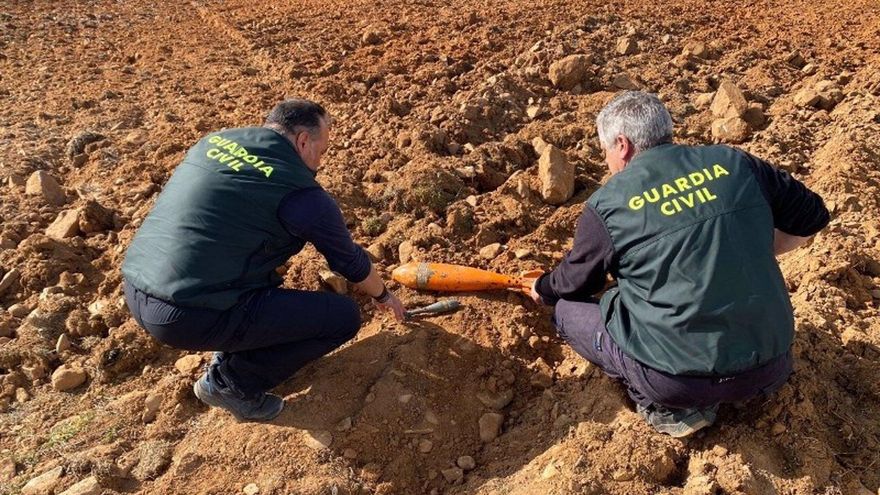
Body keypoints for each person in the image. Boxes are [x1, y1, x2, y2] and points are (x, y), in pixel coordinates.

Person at [530, 91, 829, 437]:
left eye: (605, 151)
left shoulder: (610, 203)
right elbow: (812, 217)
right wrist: (749, 248)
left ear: (622, 145)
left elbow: (576, 284)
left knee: (567, 310)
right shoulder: (735, 163)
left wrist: (542, 287)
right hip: (772, 366)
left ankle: (664, 408)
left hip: (678, 384)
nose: (608, 162)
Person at [122, 99, 405, 422]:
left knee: (262, 278)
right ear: (302, 141)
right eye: (321, 152)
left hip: (135, 284)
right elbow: (349, 262)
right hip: (185, 314)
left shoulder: (214, 141)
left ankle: (232, 351)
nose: (319, 163)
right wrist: (383, 295)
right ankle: (231, 383)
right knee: (342, 317)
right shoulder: (302, 196)